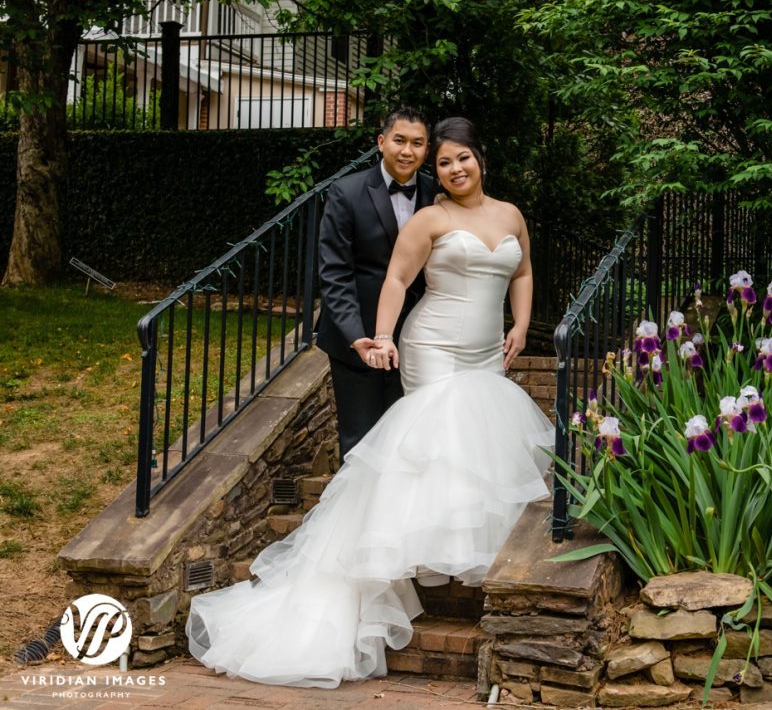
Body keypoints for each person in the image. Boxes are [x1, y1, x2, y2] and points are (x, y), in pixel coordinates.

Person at [186, 117, 554, 687]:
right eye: (445, 163)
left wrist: (523, 326)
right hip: (430, 343)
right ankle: (385, 565)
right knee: (430, 446)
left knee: (479, 449)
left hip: (486, 349)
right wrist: (380, 336)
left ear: (481, 158)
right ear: (386, 146)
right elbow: (393, 282)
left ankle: (453, 562)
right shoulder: (426, 214)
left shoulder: (509, 215)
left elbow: (523, 271)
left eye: (462, 159)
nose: (454, 169)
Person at [315, 107, 440, 459]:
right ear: (381, 142)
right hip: (359, 340)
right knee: (361, 443)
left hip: (420, 339)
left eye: (417, 143)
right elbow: (335, 273)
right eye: (399, 140)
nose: (407, 151)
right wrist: (356, 336)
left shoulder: (438, 194)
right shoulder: (347, 192)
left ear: (427, 150)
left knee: (413, 443)